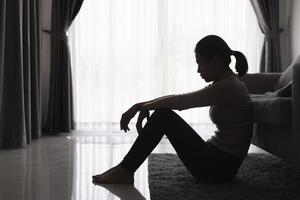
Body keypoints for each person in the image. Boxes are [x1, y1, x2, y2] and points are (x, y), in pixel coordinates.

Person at [92, 35, 253, 184]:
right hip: (218, 161)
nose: (198, 70)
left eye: (200, 63)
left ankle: (125, 170)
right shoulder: (228, 84)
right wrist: (141, 106)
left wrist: (139, 107)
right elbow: (179, 99)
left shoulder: (228, 86)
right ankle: (124, 168)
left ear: (215, 61)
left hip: (218, 169)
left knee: (163, 116)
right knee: (163, 114)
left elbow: (180, 101)